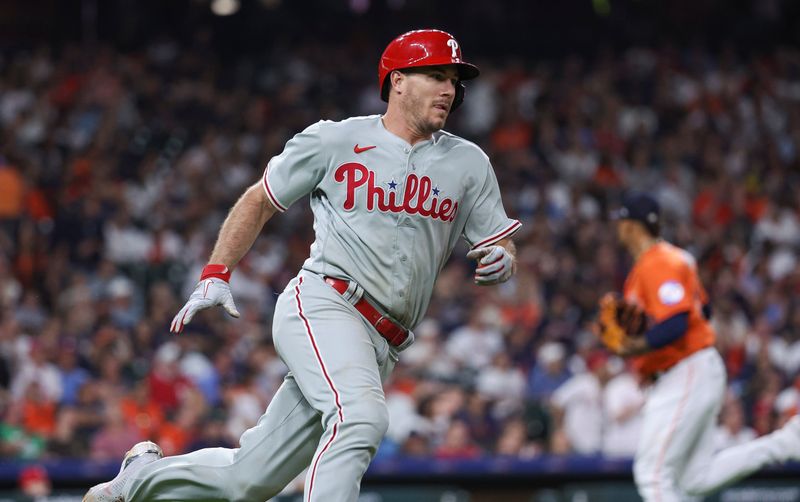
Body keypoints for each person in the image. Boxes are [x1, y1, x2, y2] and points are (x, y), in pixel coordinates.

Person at [84, 29, 521, 502]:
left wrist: (504, 259)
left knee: (248, 479)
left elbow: (501, 246)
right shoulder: (336, 140)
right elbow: (260, 200)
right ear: (396, 80)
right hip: (327, 304)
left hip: (385, 343)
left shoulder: (468, 162)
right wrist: (216, 272)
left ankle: (138, 481)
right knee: (360, 418)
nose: (449, 89)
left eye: (454, 80)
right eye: (436, 75)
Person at [608, 192, 800, 502]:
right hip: (692, 370)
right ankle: (785, 444)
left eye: (621, 221)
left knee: (651, 472)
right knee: (694, 479)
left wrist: (635, 347)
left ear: (632, 226)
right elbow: (704, 312)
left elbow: (677, 322)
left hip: (685, 369)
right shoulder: (672, 259)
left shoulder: (657, 261)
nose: (617, 228)